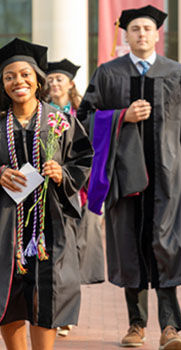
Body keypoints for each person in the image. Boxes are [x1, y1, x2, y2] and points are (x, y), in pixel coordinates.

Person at [0, 38, 93, 350]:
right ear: (3, 83)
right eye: (9, 76)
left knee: (47, 295)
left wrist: (61, 174)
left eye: (25, 74)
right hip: (3, 228)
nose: (18, 81)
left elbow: (83, 160)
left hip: (49, 227)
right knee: (8, 293)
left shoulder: (60, 121)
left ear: (37, 79)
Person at [77, 5, 181, 350]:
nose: (141, 34)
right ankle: (136, 325)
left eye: (147, 28)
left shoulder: (176, 72)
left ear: (157, 34)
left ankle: (169, 327)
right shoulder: (108, 73)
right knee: (129, 245)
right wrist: (122, 115)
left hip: (167, 174)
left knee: (166, 245)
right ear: (126, 34)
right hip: (124, 176)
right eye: (134, 28)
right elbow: (84, 118)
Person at [44, 58, 106, 338]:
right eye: (50, 79)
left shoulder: (84, 113)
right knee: (61, 252)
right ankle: (61, 314)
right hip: (53, 192)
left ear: (70, 83)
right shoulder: (41, 114)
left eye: (59, 79)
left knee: (79, 250)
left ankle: (66, 309)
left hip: (83, 189)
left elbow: (96, 151)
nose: (54, 83)